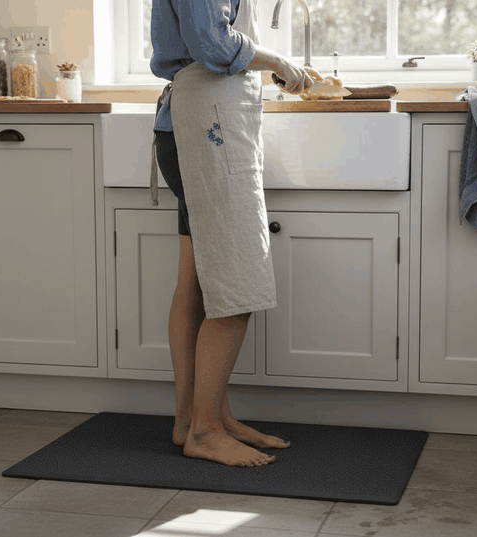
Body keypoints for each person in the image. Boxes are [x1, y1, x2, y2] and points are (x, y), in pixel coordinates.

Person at [149, 0, 313, 467]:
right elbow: (212, 43)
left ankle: (198, 420)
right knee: (238, 282)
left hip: (193, 121)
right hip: (207, 122)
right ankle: (204, 430)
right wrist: (279, 61)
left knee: (199, 281)